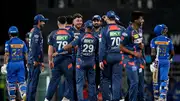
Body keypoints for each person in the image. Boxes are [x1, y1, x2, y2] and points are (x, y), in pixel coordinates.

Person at [54, 20, 98, 101]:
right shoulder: (95, 38)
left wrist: (58, 52)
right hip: (91, 62)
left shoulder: (81, 37)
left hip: (81, 63)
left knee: (79, 84)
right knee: (92, 83)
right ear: (92, 28)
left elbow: (70, 45)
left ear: (85, 27)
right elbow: (97, 51)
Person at [44, 16, 74, 101]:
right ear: (65, 23)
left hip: (56, 60)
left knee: (53, 82)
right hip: (67, 60)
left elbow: (50, 50)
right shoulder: (70, 34)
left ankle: (46, 99)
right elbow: (73, 47)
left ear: (58, 23)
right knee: (70, 81)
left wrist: (50, 61)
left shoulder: (53, 34)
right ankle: (66, 98)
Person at [99, 11, 126, 101]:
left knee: (106, 79)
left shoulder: (104, 29)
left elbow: (102, 47)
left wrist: (100, 60)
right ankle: (116, 99)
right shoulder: (122, 29)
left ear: (107, 18)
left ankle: (106, 99)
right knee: (116, 80)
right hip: (119, 56)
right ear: (115, 18)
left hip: (108, 57)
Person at [119, 11, 144, 101]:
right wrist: (133, 53)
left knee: (140, 84)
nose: (143, 20)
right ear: (135, 20)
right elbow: (120, 47)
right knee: (134, 82)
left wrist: (141, 45)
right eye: (141, 19)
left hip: (138, 60)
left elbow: (137, 42)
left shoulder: (140, 29)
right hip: (129, 59)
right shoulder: (127, 32)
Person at [1, 26, 28, 101]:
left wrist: (5, 65)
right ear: (17, 33)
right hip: (21, 63)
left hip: (12, 64)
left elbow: (6, 54)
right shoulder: (22, 42)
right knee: (22, 81)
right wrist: (27, 64)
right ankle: (23, 93)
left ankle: (12, 99)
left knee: (11, 82)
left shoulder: (8, 43)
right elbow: (26, 54)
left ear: (9, 34)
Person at [26, 14, 48, 101]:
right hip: (34, 61)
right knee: (33, 84)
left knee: (30, 83)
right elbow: (35, 46)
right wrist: (36, 60)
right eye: (43, 21)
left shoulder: (33, 30)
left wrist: (41, 61)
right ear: (39, 21)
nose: (44, 23)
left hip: (33, 60)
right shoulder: (36, 31)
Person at [150, 24, 175, 101]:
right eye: (164, 29)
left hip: (157, 61)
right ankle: (162, 96)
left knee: (155, 80)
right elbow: (173, 53)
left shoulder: (154, 40)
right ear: (161, 30)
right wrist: (169, 59)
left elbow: (153, 53)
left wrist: (153, 62)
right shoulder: (168, 40)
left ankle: (156, 97)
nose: (166, 30)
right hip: (165, 61)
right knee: (164, 80)